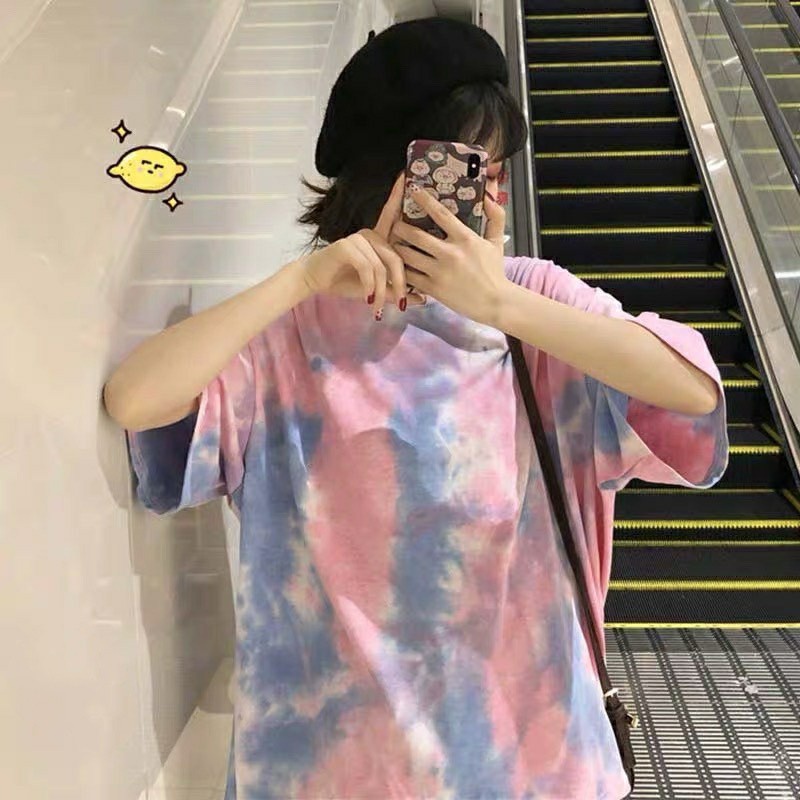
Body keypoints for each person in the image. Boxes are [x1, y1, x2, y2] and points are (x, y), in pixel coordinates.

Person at [103, 17, 729, 800]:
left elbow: (692, 391)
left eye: (494, 173)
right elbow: (135, 400)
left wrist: (500, 304)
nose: (485, 195)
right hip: (329, 777)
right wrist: (299, 281)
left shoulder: (534, 308)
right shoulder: (287, 338)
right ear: (385, 175)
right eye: (462, 169)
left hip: (531, 772)